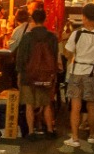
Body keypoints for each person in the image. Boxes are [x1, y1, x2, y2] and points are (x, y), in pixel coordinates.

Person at [63, 3, 94, 148]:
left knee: (75, 106)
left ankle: (75, 138)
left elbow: (67, 53)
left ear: (83, 17)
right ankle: (92, 135)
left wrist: (73, 56)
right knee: (92, 106)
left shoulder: (77, 34)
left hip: (77, 71)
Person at [14, 7, 60, 138]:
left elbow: (21, 58)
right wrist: (53, 75)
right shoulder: (52, 37)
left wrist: (19, 75)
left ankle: (31, 132)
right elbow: (55, 56)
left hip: (28, 75)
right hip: (46, 75)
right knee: (46, 104)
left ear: (32, 19)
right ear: (45, 20)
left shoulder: (27, 37)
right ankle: (50, 130)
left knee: (29, 104)